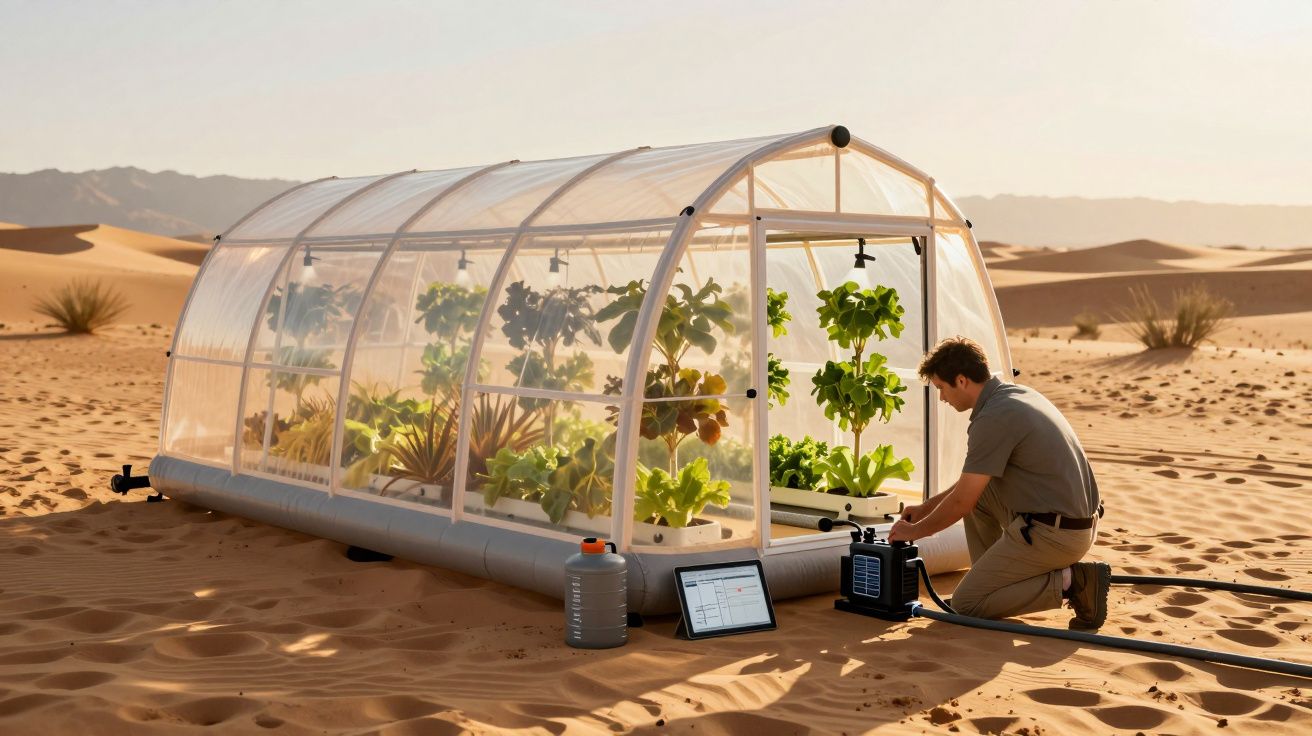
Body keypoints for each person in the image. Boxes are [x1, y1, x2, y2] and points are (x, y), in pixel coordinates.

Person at [887, 337, 1110, 629]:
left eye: (941, 388)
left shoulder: (994, 418)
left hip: (1056, 535)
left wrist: (913, 531)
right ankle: (989, 585)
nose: (941, 398)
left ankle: (1073, 582)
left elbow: (960, 503)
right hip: (1070, 523)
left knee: (967, 605)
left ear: (962, 380)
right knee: (981, 495)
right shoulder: (1016, 395)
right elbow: (970, 489)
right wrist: (926, 508)